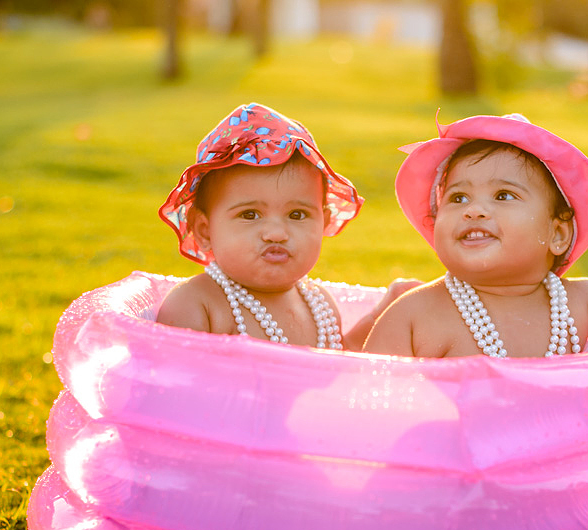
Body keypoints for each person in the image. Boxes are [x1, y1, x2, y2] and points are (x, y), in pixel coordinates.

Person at [364, 113, 588, 370]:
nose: (475, 211)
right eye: (458, 198)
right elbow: (366, 396)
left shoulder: (579, 303)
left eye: (503, 195)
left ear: (557, 234)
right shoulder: (415, 316)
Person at [158, 102, 409, 350]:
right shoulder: (198, 305)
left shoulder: (319, 305)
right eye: (250, 214)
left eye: (297, 214)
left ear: (324, 221)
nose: (276, 233)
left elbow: (339, 370)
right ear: (205, 231)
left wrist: (381, 313)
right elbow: (173, 382)